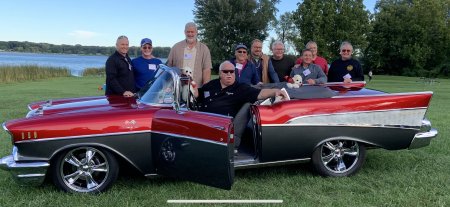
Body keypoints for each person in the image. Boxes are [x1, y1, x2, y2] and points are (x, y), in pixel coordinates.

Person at [194, 60, 288, 150]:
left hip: (219, 128)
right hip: (201, 120)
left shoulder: (241, 88)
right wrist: (192, 88)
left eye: (231, 72)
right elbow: (199, 94)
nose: (229, 74)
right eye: (225, 72)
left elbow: (261, 93)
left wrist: (275, 91)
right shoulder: (212, 84)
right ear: (220, 73)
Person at [167, 22, 212, 87]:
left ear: (196, 32)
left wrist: (205, 88)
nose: (190, 34)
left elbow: (207, 69)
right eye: (188, 32)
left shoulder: (204, 49)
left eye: (192, 32)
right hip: (178, 88)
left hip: (197, 89)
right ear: (184, 32)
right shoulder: (175, 47)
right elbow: (169, 67)